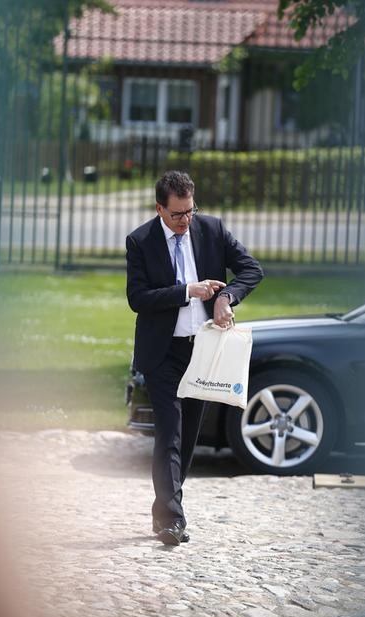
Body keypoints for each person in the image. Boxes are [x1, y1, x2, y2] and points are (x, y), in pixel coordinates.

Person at [126, 170, 263, 545]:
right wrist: (188, 290)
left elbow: (252, 269)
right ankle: (171, 519)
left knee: (187, 438)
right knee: (169, 432)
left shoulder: (212, 229)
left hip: (203, 350)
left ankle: (167, 509)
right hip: (163, 352)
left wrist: (225, 297)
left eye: (190, 211)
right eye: (177, 214)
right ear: (159, 209)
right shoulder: (140, 241)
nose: (186, 221)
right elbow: (137, 298)